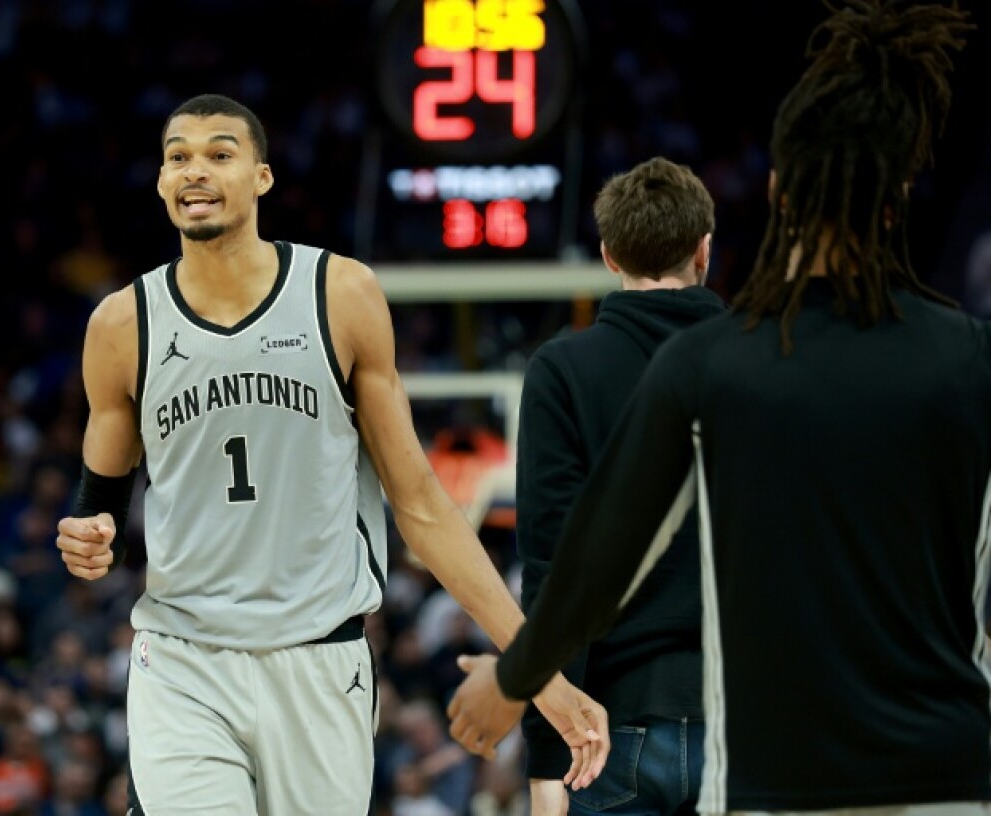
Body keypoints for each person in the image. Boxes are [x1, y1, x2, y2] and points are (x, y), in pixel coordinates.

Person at [446, 1, 991, 814]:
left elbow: (595, 560)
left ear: (776, 191)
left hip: (778, 778)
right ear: (897, 198)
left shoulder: (714, 363)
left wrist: (514, 678)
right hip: (951, 772)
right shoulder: (971, 356)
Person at [53, 93, 608, 815]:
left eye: (220, 154)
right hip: (184, 659)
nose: (196, 170)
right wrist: (84, 538)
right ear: (160, 182)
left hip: (321, 660)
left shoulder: (340, 293)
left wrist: (537, 666)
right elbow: (97, 504)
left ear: (262, 177)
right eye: (178, 157)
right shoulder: (122, 324)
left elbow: (421, 505)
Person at [517, 157, 724, 816]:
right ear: (704, 249)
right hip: (750, 721)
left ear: (608, 256)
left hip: (606, 729)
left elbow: (553, 569)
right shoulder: (768, 360)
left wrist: (547, 757)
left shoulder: (562, 370)